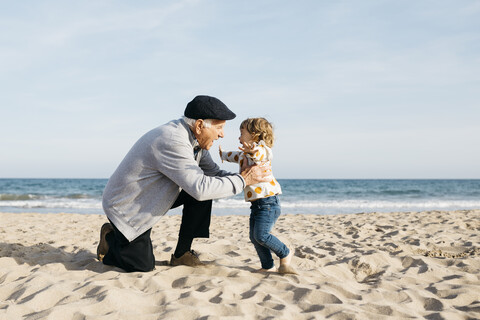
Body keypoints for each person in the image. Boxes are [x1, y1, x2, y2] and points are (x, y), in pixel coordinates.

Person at [97, 95, 271, 272]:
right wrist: (244, 180)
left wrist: (248, 178)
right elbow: (200, 188)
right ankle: (111, 236)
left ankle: (182, 254)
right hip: (126, 206)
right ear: (200, 125)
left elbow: (215, 174)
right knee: (142, 266)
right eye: (219, 127)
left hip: (150, 196)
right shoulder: (173, 141)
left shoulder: (195, 141)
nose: (222, 134)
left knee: (208, 187)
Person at [219, 117, 297, 274]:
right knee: (254, 238)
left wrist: (253, 151)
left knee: (261, 235)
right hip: (256, 204)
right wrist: (223, 154)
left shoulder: (263, 150)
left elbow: (261, 154)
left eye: (242, 133)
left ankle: (285, 252)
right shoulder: (243, 155)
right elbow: (234, 156)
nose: (239, 137)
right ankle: (268, 266)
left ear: (254, 135)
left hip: (268, 203)